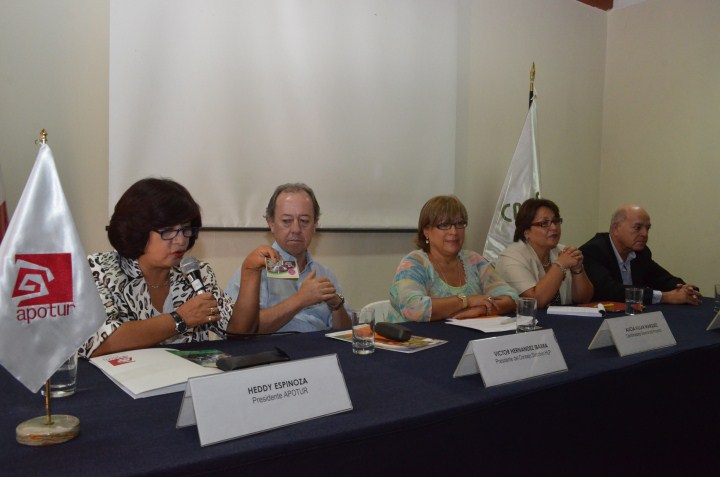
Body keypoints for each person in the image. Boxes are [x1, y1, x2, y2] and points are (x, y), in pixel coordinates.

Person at [80, 178, 277, 358]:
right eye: (168, 231)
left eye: (185, 229)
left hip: (188, 381)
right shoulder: (100, 270)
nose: (181, 240)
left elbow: (238, 333)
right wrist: (180, 319)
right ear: (136, 231)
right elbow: (97, 342)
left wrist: (250, 273)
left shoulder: (196, 274)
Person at [226, 183, 351, 332]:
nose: (296, 229)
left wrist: (337, 306)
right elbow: (240, 332)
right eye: (286, 221)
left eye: (304, 221)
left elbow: (347, 334)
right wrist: (300, 300)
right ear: (271, 223)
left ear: (315, 225)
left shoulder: (324, 274)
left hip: (321, 345)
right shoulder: (255, 271)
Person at [388, 195, 518, 322]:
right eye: (444, 225)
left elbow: (512, 299)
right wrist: (467, 301)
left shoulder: (474, 260)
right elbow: (413, 309)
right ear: (426, 231)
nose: (454, 232)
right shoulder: (414, 263)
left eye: (459, 223)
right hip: (414, 336)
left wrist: (483, 309)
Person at [579, 204, 701, 305]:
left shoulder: (641, 252)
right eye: (638, 228)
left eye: (647, 228)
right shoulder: (593, 251)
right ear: (616, 229)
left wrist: (685, 289)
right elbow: (611, 291)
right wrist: (664, 297)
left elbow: (660, 278)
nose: (645, 234)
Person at [495, 198, 593, 308]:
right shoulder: (511, 258)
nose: (554, 227)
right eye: (544, 223)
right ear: (526, 232)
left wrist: (577, 270)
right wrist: (560, 265)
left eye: (556, 221)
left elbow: (584, 299)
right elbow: (536, 301)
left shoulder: (562, 251)